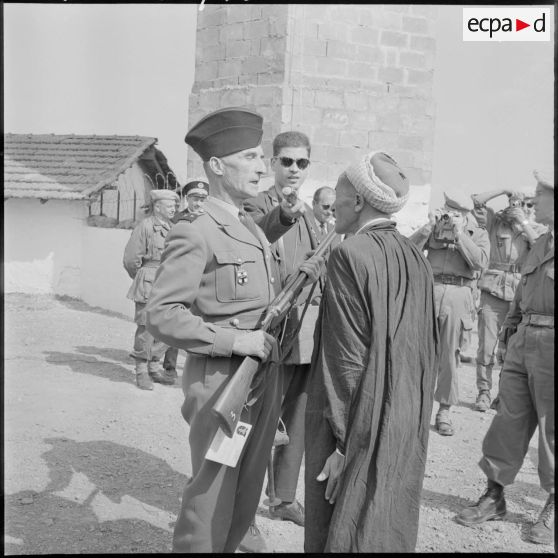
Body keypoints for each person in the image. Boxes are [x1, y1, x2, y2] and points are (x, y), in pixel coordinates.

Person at [145, 107, 317, 553]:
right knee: (213, 495)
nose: (263, 167)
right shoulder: (196, 230)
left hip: (259, 378)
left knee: (243, 496)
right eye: (251, 157)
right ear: (217, 167)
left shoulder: (246, 225)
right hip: (222, 381)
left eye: (263, 157)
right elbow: (161, 313)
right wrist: (234, 340)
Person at [304, 151, 438, 552]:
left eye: (340, 196)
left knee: (344, 524)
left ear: (359, 201)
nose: (335, 206)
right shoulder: (416, 256)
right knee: (386, 518)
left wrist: (346, 447)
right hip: (402, 415)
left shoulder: (349, 255)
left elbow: (345, 362)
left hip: (356, 423)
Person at [456, 170, 554, 546]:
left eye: (540, 196)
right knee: (507, 420)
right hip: (524, 341)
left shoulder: (537, 238)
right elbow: (522, 296)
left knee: (552, 429)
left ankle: (553, 505)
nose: (533, 201)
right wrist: (509, 335)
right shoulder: (541, 242)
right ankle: (494, 496)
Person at [242, 131, 324, 545]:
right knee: (259, 422)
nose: (294, 170)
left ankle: (284, 497)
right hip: (272, 328)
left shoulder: (312, 213)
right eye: (287, 162)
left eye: (302, 163)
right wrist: (284, 215)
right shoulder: (259, 204)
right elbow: (254, 237)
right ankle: (243, 510)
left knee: (297, 416)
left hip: (305, 330)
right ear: (273, 163)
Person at [410, 192, 489, 436]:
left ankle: (444, 409)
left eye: (455, 213)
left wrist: (459, 234)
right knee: (417, 352)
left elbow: (480, 263)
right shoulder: (432, 228)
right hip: (429, 289)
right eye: (447, 211)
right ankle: (415, 408)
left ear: (465, 216)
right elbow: (407, 250)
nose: (449, 217)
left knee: (449, 354)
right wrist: (428, 227)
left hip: (459, 293)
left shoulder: (479, 234)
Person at [470, 187, 546, 411]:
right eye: (514, 202)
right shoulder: (496, 223)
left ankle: (502, 395)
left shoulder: (537, 228)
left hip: (520, 296)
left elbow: (541, 251)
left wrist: (523, 223)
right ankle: (483, 392)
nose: (518, 207)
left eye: (524, 204)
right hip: (492, 292)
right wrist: (503, 189)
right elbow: (476, 200)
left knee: (511, 349)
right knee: (486, 347)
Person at [123, 188, 180, 390]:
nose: (174, 208)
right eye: (170, 205)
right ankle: (140, 371)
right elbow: (131, 259)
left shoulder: (172, 227)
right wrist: (142, 275)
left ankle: (154, 367)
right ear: (157, 207)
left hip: (168, 282)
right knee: (146, 328)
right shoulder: (145, 227)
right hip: (148, 280)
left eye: (175, 205)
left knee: (166, 327)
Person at [162, 178, 211, 380]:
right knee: (178, 321)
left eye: (202, 199)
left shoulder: (212, 220)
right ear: (186, 199)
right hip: (184, 277)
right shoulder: (176, 220)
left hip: (206, 278)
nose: (198, 203)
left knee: (203, 323)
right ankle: (169, 367)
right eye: (194, 198)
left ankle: (200, 367)